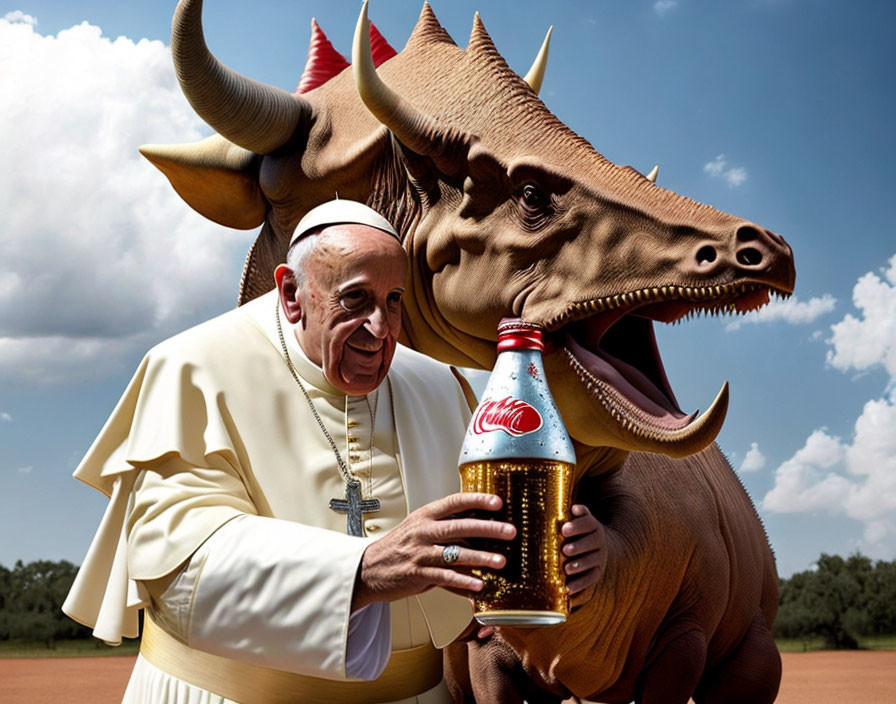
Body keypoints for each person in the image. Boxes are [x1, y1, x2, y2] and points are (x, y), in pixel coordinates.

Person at [63, 200, 605, 703]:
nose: (381, 328)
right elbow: (178, 569)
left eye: (394, 302)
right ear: (292, 294)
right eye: (356, 299)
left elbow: (487, 565)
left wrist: (571, 556)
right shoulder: (192, 367)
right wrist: (364, 569)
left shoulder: (440, 386)